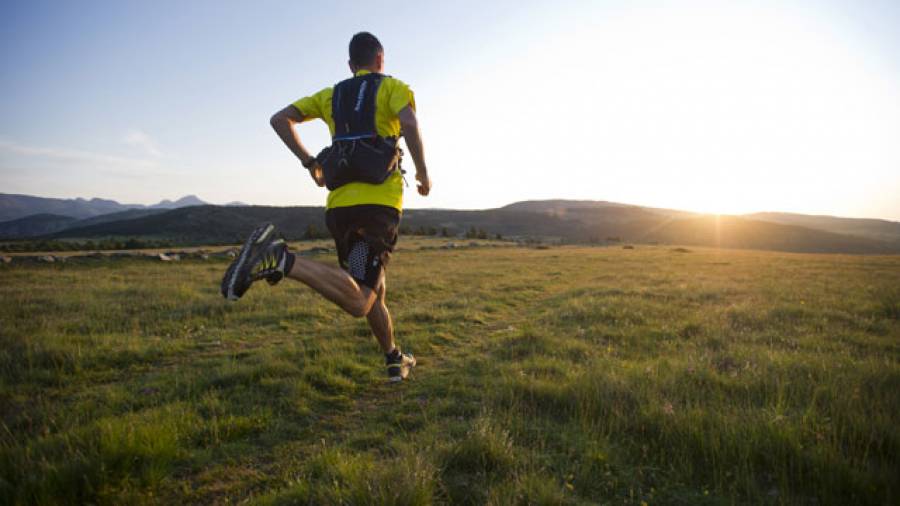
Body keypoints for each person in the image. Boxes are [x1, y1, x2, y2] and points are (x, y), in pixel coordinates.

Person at [220, 32, 431, 383]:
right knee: (360, 299)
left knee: (375, 288)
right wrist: (423, 174)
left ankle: (394, 358)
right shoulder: (394, 87)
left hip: (339, 210)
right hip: (376, 209)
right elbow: (408, 123)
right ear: (381, 59)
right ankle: (281, 258)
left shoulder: (332, 95)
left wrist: (309, 163)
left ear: (351, 66)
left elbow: (279, 119)